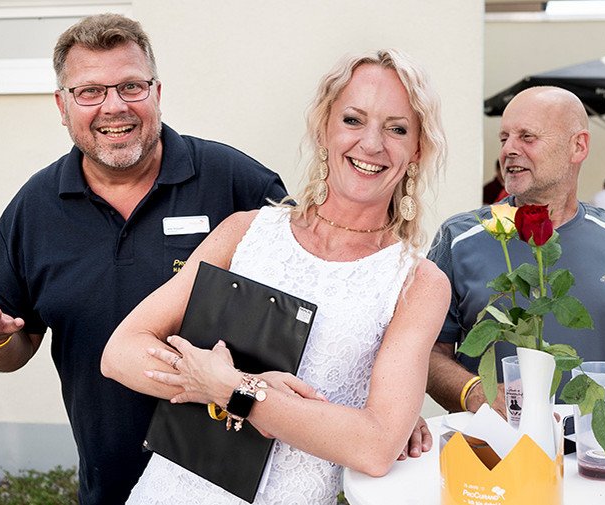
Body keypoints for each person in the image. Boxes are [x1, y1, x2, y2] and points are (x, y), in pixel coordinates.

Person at [0, 14, 287, 505]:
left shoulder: (235, 183)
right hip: (111, 486)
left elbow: (317, 295)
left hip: (238, 482)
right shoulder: (33, 211)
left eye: (131, 86)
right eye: (89, 92)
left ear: (157, 93)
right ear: (62, 106)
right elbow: (11, 351)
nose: (114, 107)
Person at [101, 49, 450, 504]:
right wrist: (214, 381)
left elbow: (376, 444)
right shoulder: (245, 232)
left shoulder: (417, 283)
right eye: (353, 120)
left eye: (396, 128)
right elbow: (120, 352)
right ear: (324, 128)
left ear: (417, 150)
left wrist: (235, 388)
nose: (371, 144)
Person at [426, 86, 605, 418]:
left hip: (596, 457)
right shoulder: (460, 238)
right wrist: (476, 393)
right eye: (504, 138)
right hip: (491, 457)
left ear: (578, 146)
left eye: (527, 137)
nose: (509, 149)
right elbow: (425, 353)